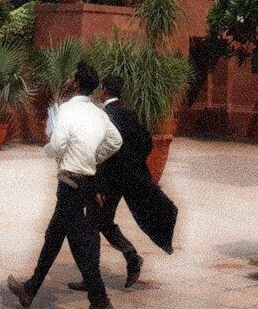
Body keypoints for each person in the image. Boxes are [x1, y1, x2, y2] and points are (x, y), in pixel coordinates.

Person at [8, 63, 122, 309]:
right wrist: (93, 157)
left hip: (70, 184)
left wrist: (48, 150)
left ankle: (100, 300)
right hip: (86, 182)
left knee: (81, 245)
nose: (70, 79)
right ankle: (30, 289)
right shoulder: (99, 113)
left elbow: (58, 144)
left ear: (77, 83)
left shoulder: (67, 110)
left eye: (73, 77)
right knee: (53, 237)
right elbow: (115, 141)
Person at [68, 74, 177, 293]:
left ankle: (107, 270)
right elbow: (146, 143)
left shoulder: (103, 116)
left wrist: (98, 184)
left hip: (107, 183)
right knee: (102, 222)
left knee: (92, 224)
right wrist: (132, 164)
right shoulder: (130, 113)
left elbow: (100, 154)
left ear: (104, 91)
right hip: (125, 180)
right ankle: (127, 258)